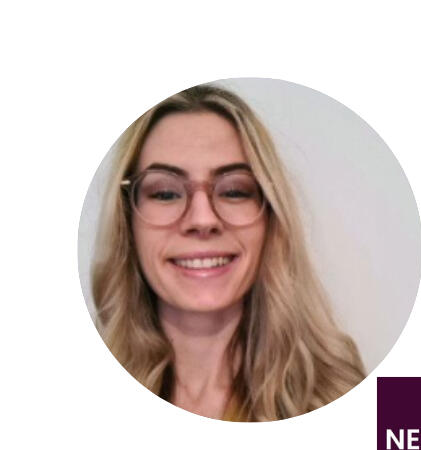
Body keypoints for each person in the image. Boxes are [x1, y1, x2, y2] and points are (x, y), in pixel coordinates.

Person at [92, 84, 365, 421]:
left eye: (234, 191)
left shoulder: (353, 397)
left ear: (270, 217)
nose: (203, 220)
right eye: (165, 193)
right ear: (127, 220)